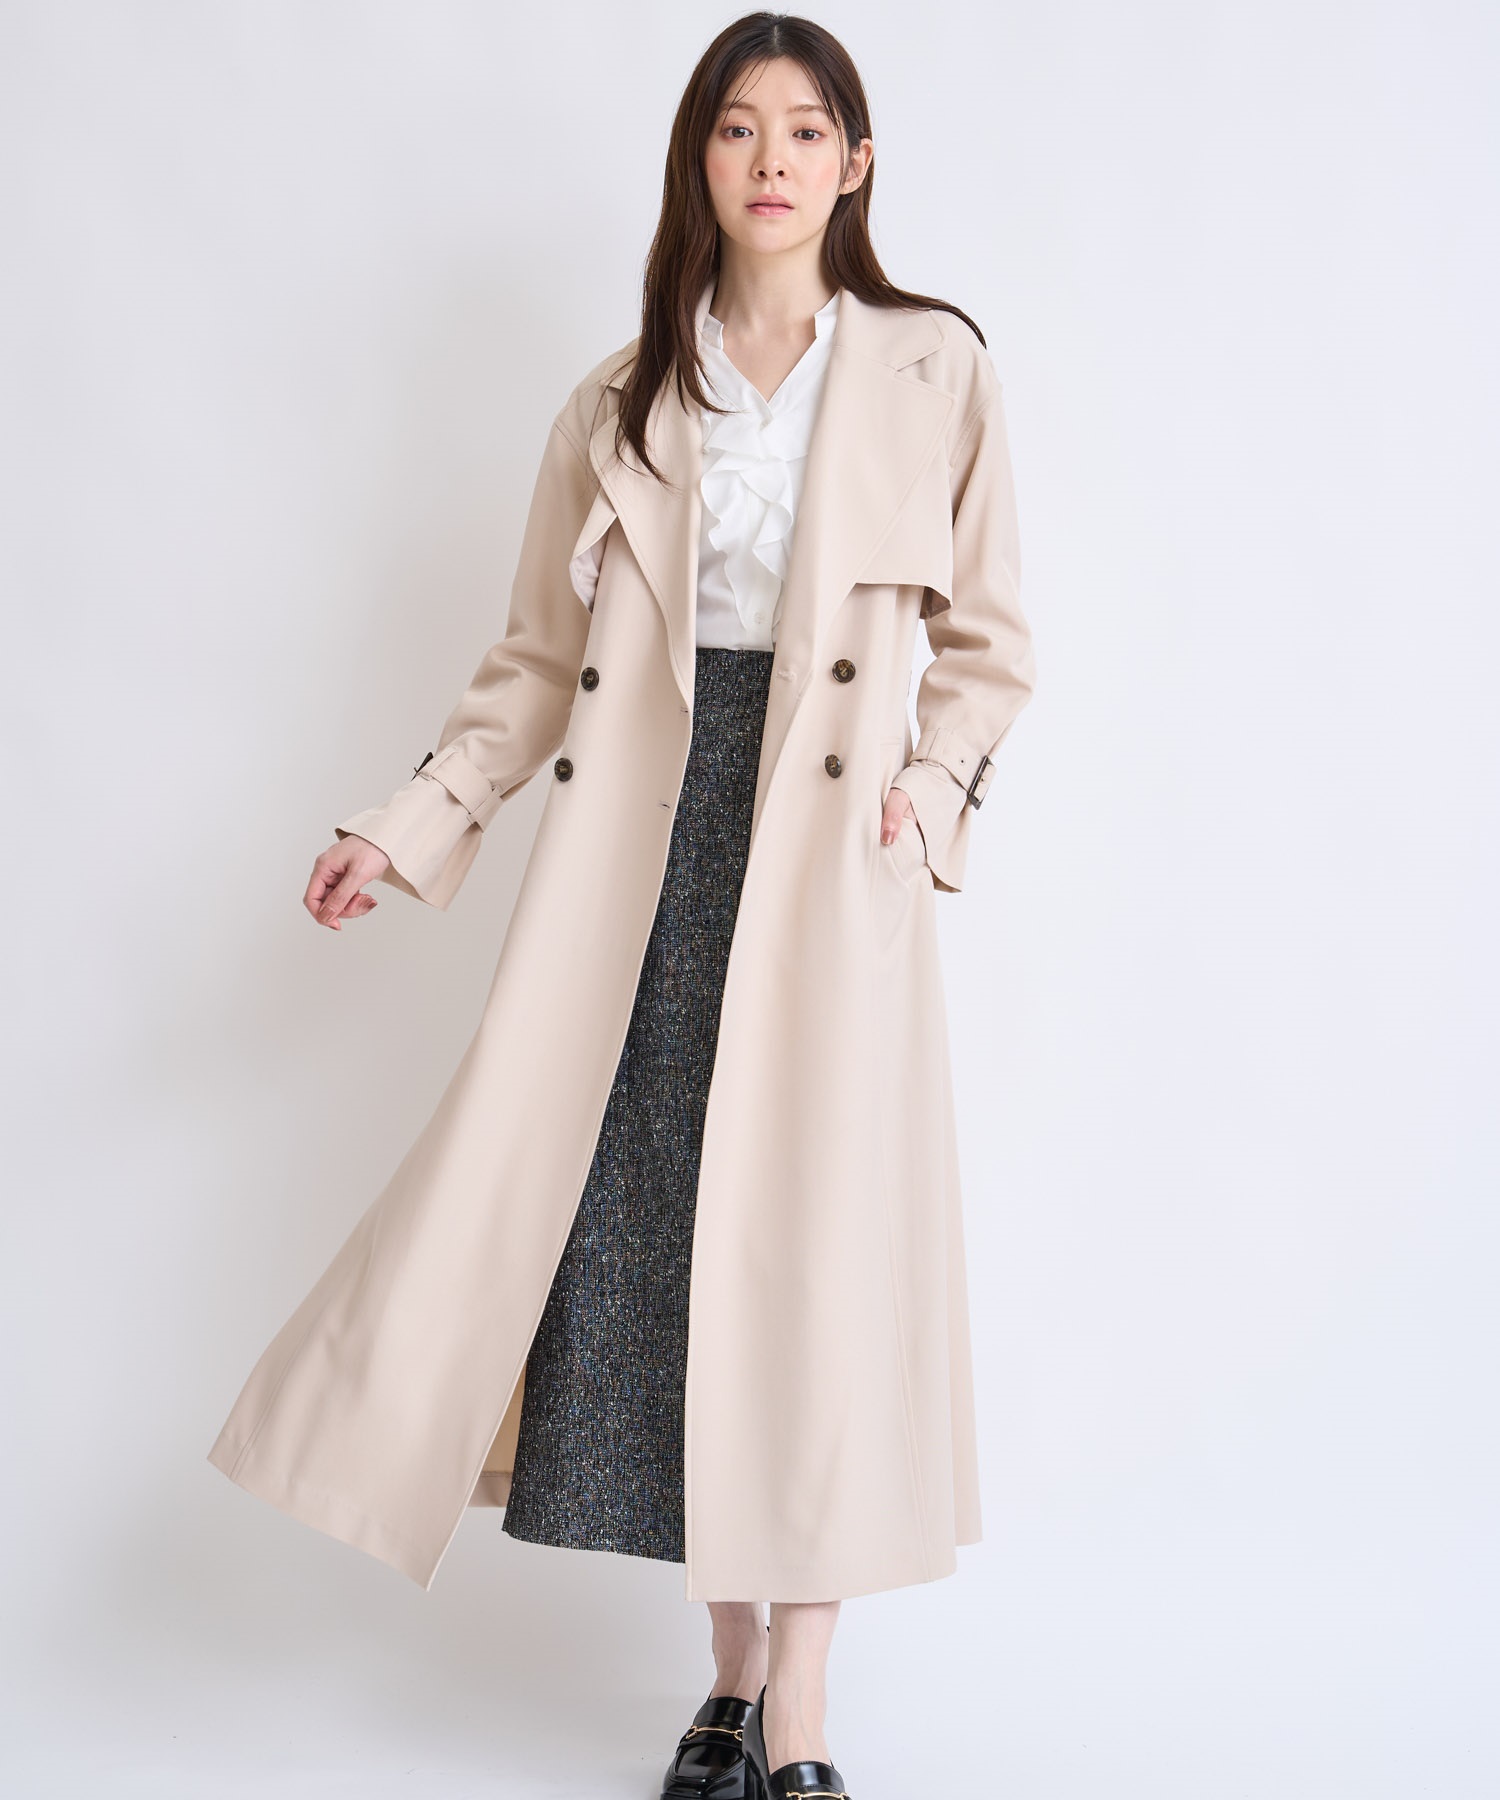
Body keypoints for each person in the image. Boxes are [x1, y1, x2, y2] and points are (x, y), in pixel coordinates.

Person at [223, 15, 1035, 1800]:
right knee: (667, 1252)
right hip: (648, 848)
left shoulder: (934, 367)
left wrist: (928, 796)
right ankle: (728, 1681)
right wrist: (408, 827)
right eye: (738, 129)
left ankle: (801, 1711)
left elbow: (990, 646)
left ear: (858, 163)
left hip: (832, 859)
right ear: (700, 162)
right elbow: (532, 662)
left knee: (815, 1262)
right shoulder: (618, 401)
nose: (772, 160)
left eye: (806, 130)